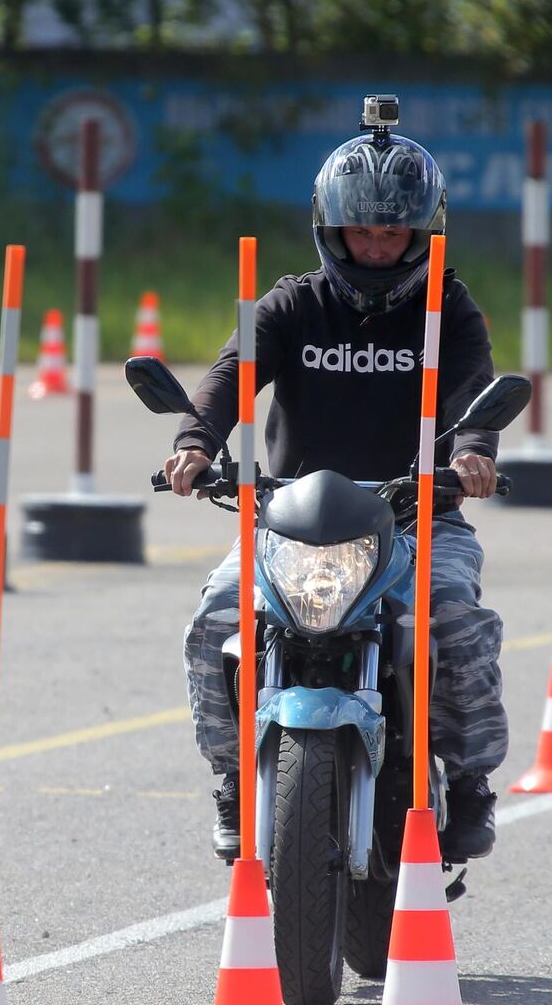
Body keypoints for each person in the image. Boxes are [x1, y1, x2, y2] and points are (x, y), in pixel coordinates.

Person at [164, 106, 508, 864]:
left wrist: (475, 451)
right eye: (363, 233)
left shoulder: (447, 309)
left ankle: (471, 776)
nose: (379, 249)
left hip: (420, 520)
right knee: (216, 619)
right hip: (288, 524)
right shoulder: (292, 303)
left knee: (453, 620)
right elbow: (231, 374)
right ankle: (231, 777)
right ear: (331, 230)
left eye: (394, 235)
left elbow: (471, 396)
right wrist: (196, 441)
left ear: (424, 234)